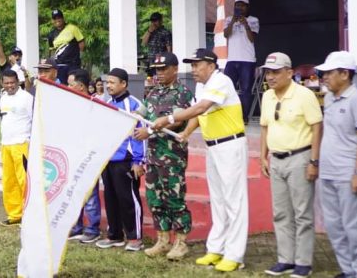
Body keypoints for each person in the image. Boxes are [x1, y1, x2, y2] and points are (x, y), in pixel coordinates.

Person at [152, 49, 248, 272]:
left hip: (230, 145)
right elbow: (198, 114)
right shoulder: (202, 86)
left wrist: (169, 118)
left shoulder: (221, 81)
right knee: (218, 200)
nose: (193, 70)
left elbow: (201, 107)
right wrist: (186, 132)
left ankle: (235, 254)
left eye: (197, 65)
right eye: (192, 65)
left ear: (211, 65)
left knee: (234, 201)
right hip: (213, 146)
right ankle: (216, 249)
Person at [258, 52, 322, 278]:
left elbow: (317, 127)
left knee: (302, 214)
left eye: (276, 72)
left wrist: (314, 161)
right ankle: (285, 259)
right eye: (268, 72)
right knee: (281, 213)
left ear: (289, 72)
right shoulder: (267, 96)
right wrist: (262, 156)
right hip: (276, 159)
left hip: (300, 158)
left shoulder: (304, 95)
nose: (271, 77)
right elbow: (264, 127)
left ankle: (303, 262)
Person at [132, 53, 194, 260]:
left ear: (175, 69)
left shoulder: (182, 93)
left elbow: (175, 122)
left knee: (174, 198)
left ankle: (181, 242)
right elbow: (140, 113)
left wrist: (148, 132)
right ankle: (162, 240)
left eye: (163, 69)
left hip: (173, 157)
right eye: (156, 70)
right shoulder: (152, 92)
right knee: (155, 198)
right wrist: (130, 120)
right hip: (153, 156)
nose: (158, 74)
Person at [314, 51, 357, 278]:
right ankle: (348, 270)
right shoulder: (331, 98)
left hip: (347, 174)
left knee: (354, 228)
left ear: (345, 74)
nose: (324, 77)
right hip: (327, 172)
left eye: (329, 73)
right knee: (334, 226)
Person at [95, 67, 145, 252]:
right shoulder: (107, 103)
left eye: (112, 82)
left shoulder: (134, 105)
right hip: (109, 161)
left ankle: (135, 237)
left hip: (126, 160)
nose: (108, 85)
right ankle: (115, 235)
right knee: (111, 199)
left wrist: (138, 161)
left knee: (128, 200)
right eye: (107, 82)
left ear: (123, 84)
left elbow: (140, 135)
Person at [66, 69, 101, 244]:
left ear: (80, 86)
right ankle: (76, 225)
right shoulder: (71, 103)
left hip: (89, 155)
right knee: (74, 191)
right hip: (73, 153)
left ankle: (92, 228)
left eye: (70, 84)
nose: (67, 87)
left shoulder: (96, 104)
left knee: (90, 193)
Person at [0, 69, 33, 226]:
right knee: (9, 181)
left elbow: (34, 120)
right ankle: (15, 214)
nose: (10, 85)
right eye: (6, 83)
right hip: (6, 144)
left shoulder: (27, 98)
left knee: (24, 181)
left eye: (12, 82)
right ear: (2, 83)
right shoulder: (3, 98)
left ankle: (30, 214)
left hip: (22, 144)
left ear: (18, 81)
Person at [223, 0, 260, 123]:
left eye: (242, 5)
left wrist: (245, 24)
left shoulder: (253, 20)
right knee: (227, 88)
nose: (239, 7)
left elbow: (252, 38)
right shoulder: (228, 19)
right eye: (237, 5)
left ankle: (244, 117)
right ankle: (230, 115)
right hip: (231, 60)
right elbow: (226, 35)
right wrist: (233, 21)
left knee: (245, 90)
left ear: (247, 7)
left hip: (247, 60)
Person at [47, 9, 85, 83]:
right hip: (59, 65)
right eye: (55, 18)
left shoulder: (72, 28)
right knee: (61, 87)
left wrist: (79, 58)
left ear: (63, 18)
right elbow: (51, 51)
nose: (57, 20)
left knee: (73, 85)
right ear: (53, 21)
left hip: (73, 64)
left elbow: (81, 43)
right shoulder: (51, 34)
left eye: (59, 17)